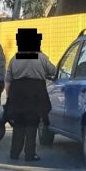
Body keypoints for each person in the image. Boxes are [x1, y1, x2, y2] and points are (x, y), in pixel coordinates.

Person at [3, 28, 55, 162]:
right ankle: (30, 154)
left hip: (17, 94)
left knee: (19, 123)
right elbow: (53, 70)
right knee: (32, 123)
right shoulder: (41, 57)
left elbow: (8, 80)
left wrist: (10, 98)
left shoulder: (14, 58)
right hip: (35, 94)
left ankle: (14, 153)